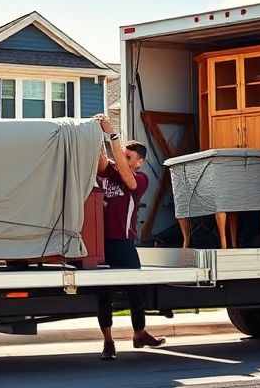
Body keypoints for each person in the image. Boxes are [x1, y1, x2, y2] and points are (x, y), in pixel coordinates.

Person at [94, 114, 166, 361]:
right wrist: (97, 133)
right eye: (122, 154)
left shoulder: (141, 180)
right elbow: (102, 162)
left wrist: (112, 134)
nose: (121, 158)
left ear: (140, 162)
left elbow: (128, 180)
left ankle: (139, 333)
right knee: (104, 295)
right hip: (100, 244)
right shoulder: (109, 172)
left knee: (136, 290)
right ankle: (108, 342)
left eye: (128, 156)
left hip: (123, 242)